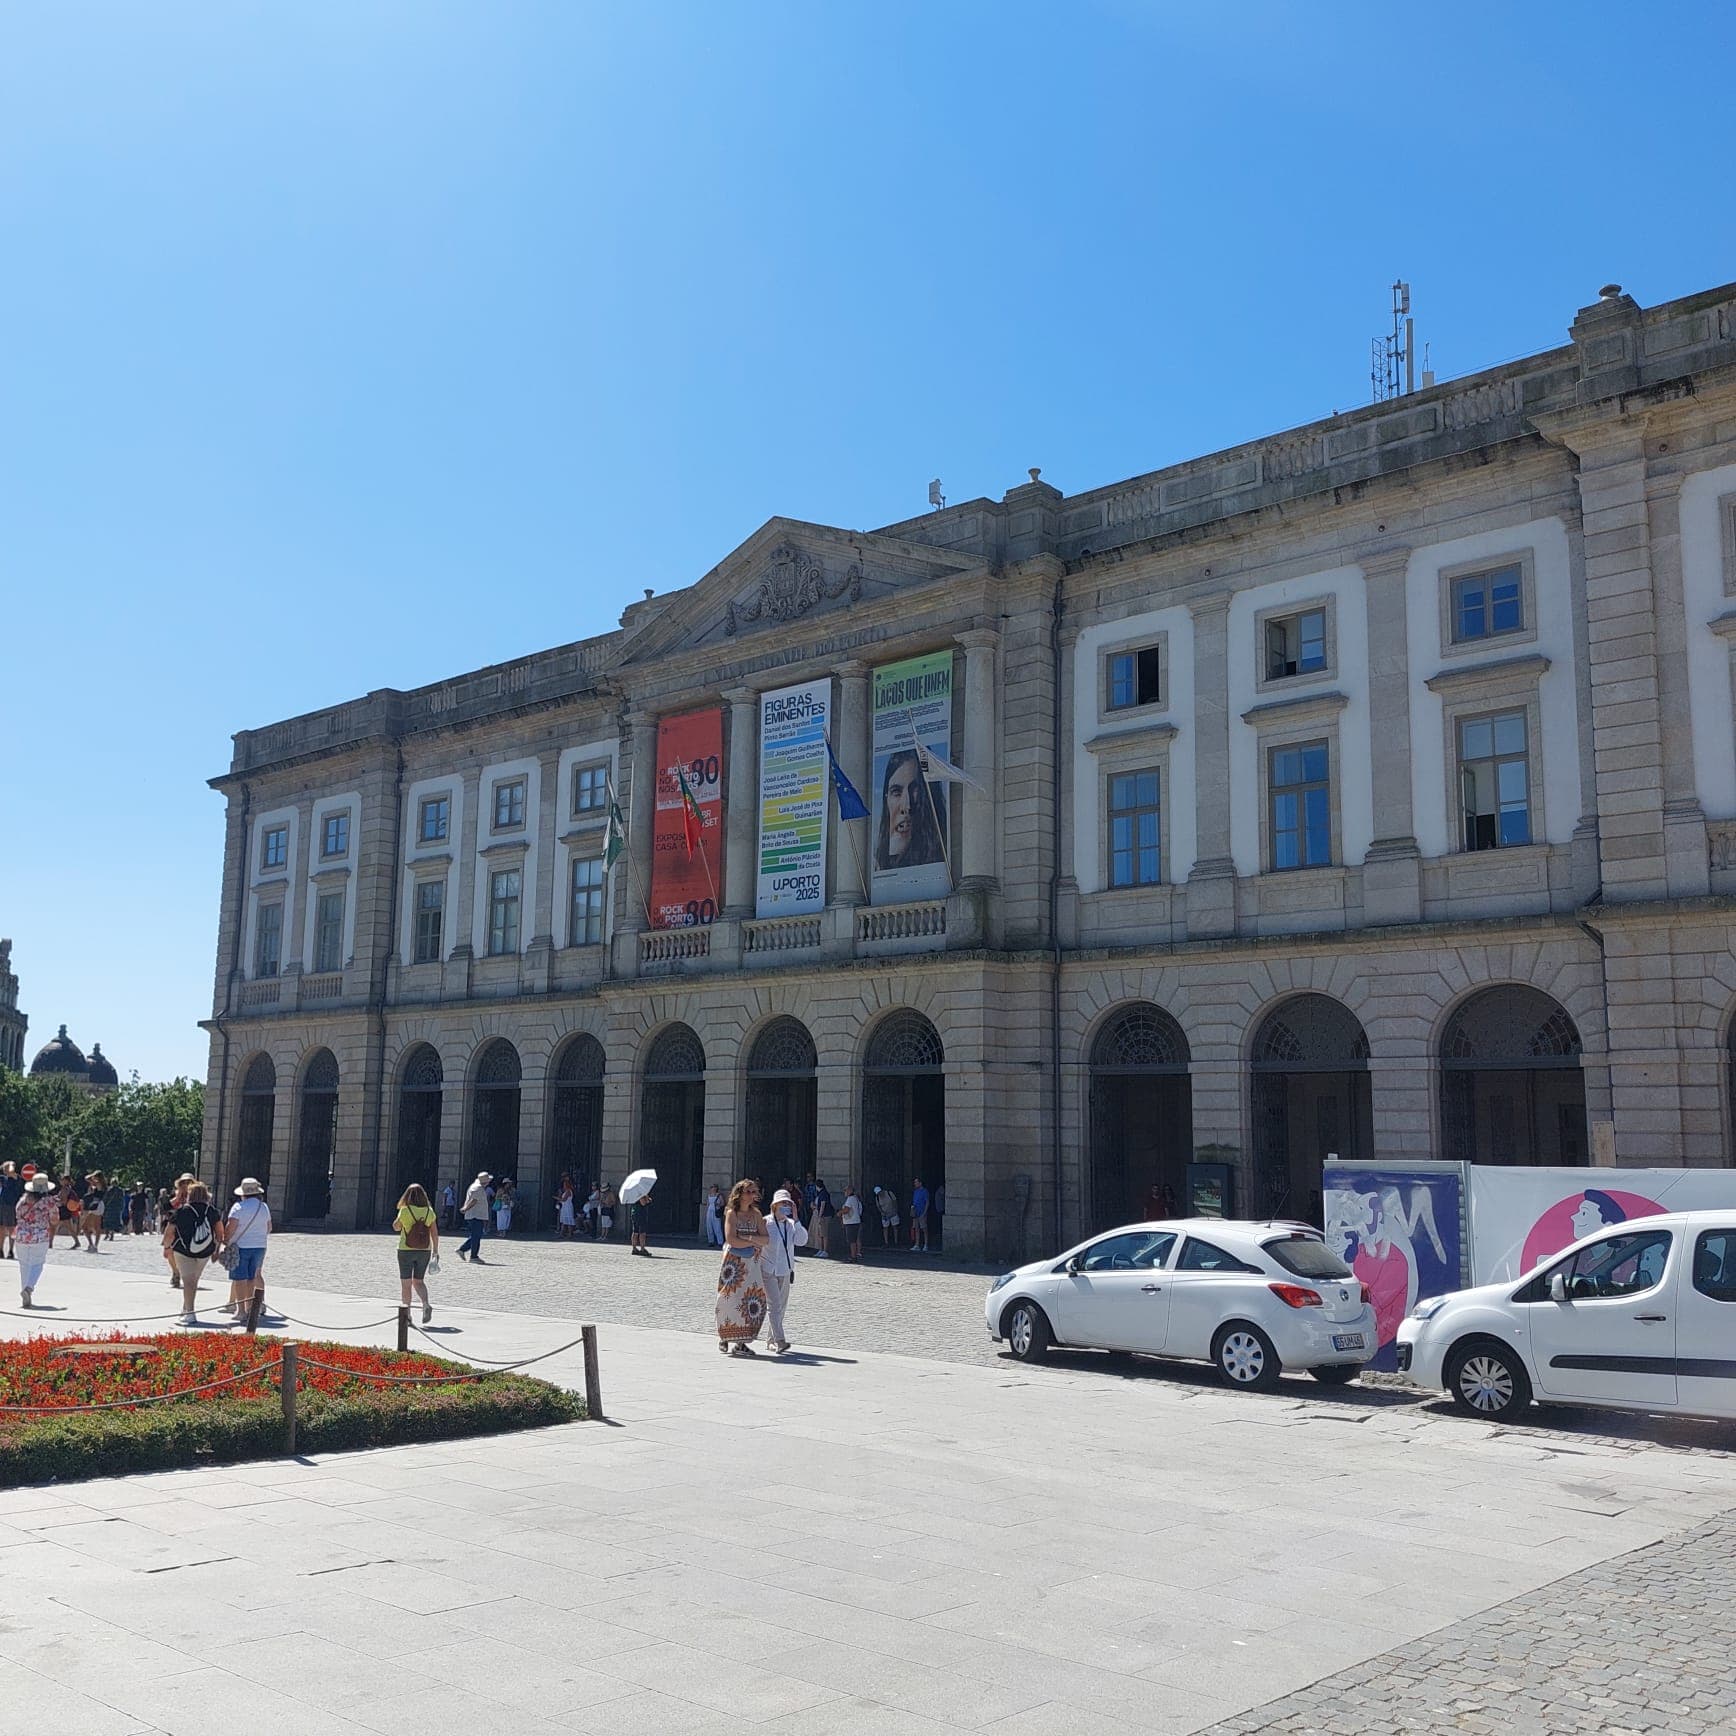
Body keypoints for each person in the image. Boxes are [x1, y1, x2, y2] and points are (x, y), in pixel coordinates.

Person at [716, 1179, 769, 1357]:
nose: (753, 1195)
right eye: (749, 1191)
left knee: (750, 1298)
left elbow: (765, 1239)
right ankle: (725, 1335)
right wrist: (752, 1241)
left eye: (754, 1192)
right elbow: (731, 1239)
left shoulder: (756, 1214)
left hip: (752, 1262)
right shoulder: (732, 1213)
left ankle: (742, 1341)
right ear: (739, 1194)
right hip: (734, 1262)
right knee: (728, 1297)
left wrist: (747, 1238)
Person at [873, 748, 947, 872]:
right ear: (886, 800)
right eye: (896, 792)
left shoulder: (943, 854)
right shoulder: (877, 863)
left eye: (915, 790)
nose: (907, 806)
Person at [165, 1181, 222, 1326]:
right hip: (205, 1251)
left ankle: (190, 1313)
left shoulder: (182, 1211)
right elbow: (220, 1233)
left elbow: (169, 1232)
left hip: (183, 1250)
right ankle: (185, 1309)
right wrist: (216, 1249)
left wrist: (166, 1247)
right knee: (193, 1280)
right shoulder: (212, 1211)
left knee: (188, 1281)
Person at [762, 1187, 808, 1354]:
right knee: (774, 1305)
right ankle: (780, 1340)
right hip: (768, 1269)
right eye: (783, 1203)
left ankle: (771, 1340)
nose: (786, 1207)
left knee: (780, 1307)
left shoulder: (791, 1225)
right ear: (775, 1205)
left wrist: (796, 1218)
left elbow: (802, 1240)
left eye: (789, 1204)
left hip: (785, 1270)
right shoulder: (766, 1222)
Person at [224, 1178, 272, 1332]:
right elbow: (269, 1227)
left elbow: (231, 1227)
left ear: (242, 1193)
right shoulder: (263, 1207)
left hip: (241, 1246)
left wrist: (225, 1241)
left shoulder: (239, 1207)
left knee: (240, 1279)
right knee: (252, 1277)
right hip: (260, 1246)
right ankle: (250, 1307)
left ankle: (241, 1311)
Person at [394, 1182, 439, 1324]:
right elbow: (434, 1233)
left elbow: (396, 1227)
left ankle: (406, 1315)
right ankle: (425, 1304)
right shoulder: (429, 1212)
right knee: (419, 1281)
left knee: (406, 1284)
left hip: (405, 1249)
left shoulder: (405, 1210)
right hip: (424, 1250)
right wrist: (435, 1251)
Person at [14, 1172, 57, 1307]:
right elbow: (55, 1220)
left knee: (24, 1265)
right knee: (37, 1263)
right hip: (39, 1236)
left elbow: (17, 1215)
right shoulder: (49, 1202)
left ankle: (25, 1294)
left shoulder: (22, 1200)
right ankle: (29, 1288)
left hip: (21, 1236)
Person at [161, 1175, 193, 1286]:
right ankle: (176, 1272)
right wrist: (177, 1198)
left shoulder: (195, 1196)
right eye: (183, 1182)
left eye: (189, 1182)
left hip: (188, 1228)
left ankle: (184, 1273)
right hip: (174, 1226)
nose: (186, 1185)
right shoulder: (175, 1195)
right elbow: (165, 1208)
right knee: (170, 1251)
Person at [456, 1172, 492, 1262]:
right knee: (476, 1236)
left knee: (476, 1235)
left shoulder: (476, 1186)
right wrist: (465, 1208)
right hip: (475, 1215)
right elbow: (473, 1201)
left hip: (476, 1215)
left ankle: (462, 1249)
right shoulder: (478, 1188)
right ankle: (473, 1256)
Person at [808, 1178, 833, 1258]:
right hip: (821, 1215)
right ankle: (821, 1249)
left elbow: (823, 1205)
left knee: (824, 1234)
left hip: (824, 1216)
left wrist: (820, 1216)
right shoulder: (820, 1193)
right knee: (820, 1234)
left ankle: (825, 1250)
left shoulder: (823, 1193)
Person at [79, 1174, 105, 1252]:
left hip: (96, 1205)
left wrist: (92, 1176)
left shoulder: (98, 1184)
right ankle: (94, 1245)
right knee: (96, 1227)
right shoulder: (101, 1185)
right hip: (98, 1205)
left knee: (85, 1226)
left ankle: (92, 1244)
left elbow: (86, 1178)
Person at [0, 1161, 20, 1261]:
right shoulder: (3, 1178)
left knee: (12, 1228)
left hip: (12, 1206)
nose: (5, 1169)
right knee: (1, 1228)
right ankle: (0, 1249)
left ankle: (11, 1250)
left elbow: (12, 1172)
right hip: (2, 1205)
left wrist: (10, 1165)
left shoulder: (16, 1178)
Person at [840, 1184, 863, 1263]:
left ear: (850, 1191)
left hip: (851, 1222)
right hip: (855, 1221)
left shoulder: (850, 1199)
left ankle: (853, 1257)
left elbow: (846, 1210)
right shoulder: (855, 1198)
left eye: (845, 1190)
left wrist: (839, 1213)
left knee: (852, 1241)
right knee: (854, 1240)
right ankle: (854, 1255)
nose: (844, 1192)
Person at [875, 1184, 900, 1249]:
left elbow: (895, 1201)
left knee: (895, 1227)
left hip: (893, 1212)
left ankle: (896, 1242)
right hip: (885, 1214)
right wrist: (882, 1213)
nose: (879, 1194)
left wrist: (895, 1210)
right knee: (885, 1228)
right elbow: (878, 1206)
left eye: (880, 1192)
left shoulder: (889, 1193)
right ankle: (886, 1243)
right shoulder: (877, 1198)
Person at [102, 1177, 127, 1242]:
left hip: (109, 1207)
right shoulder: (120, 1190)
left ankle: (107, 1235)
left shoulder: (109, 1190)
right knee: (113, 1222)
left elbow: (105, 1199)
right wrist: (122, 1207)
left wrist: (103, 1206)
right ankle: (111, 1235)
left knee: (107, 1221)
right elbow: (122, 1200)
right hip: (116, 1208)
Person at [628, 1187, 652, 1256]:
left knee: (635, 1232)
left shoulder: (633, 1193)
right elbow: (643, 1203)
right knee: (642, 1233)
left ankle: (634, 1248)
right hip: (640, 1215)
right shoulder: (640, 1193)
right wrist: (647, 1198)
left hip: (634, 1213)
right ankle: (642, 1249)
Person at [910, 1177, 930, 1253]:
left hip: (922, 1213)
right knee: (916, 1229)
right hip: (915, 1213)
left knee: (924, 1229)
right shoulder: (915, 1191)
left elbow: (927, 1202)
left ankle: (926, 1244)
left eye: (916, 1182)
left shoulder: (925, 1191)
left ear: (920, 1183)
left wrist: (924, 1212)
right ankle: (917, 1244)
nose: (915, 1183)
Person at [702, 1184, 724, 1249]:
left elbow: (723, 1203)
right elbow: (707, 1204)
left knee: (717, 1226)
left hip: (716, 1211)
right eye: (712, 1187)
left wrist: (718, 1204)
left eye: (714, 1187)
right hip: (710, 1211)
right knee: (709, 1226)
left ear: (716, 1188)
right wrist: (707, 1212)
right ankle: (711, 1241)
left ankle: (720, 1242)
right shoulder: (709, 1195)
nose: (713, 1188)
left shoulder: (719, 1195)